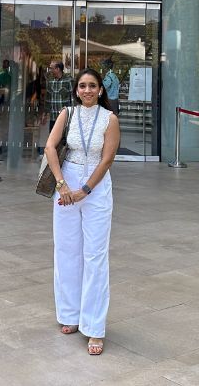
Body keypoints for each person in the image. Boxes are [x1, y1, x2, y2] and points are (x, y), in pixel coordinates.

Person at [44, 68, 120, 357]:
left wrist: (84, 190)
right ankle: (69, 313)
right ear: (76, 90)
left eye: (92, 86)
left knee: (95, 255)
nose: (87, 90)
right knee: (66, 249)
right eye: (82, 86)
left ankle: (94, 327)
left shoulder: (109, 119)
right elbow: (50, 147)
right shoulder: (68, 114)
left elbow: (107, 159)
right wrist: (62, 184)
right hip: (66, 182)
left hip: (96, 188)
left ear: (101, 90)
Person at [41, 61, 73, 154]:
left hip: (65, 117)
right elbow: (48, 98)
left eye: (51, 68)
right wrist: (45, 113)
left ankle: (63, 160)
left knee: (64, 140)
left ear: (58, 69)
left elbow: (73, 97)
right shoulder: (50, 81)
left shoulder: (68, 80)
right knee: (53, 140)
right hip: (53, 117)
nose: (50, 70)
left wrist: (74, 114)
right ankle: (53, 160)